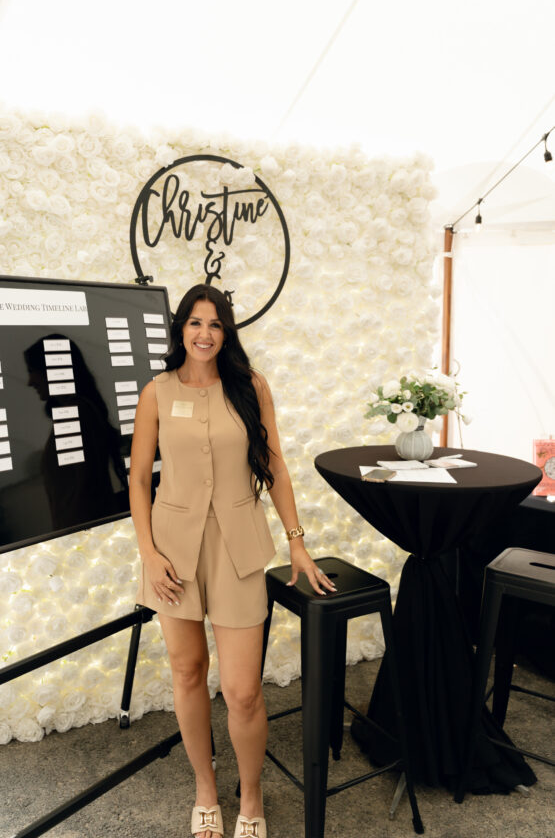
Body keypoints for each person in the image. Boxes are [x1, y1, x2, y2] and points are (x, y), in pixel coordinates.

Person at [129, 284, 336, 838]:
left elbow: (275, 465)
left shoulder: (250, 386)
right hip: (172, 551)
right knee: (187, 671)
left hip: (239, 547)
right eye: (195, 323)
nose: (205, 334)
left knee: (243, 691)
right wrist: (148, 554)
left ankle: (250, 792)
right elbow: (139, 479)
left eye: (215, 324)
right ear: (181, 329)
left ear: (227, 332)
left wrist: (296, 541)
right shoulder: (156, 392)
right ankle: (205, 788)